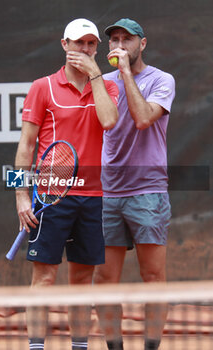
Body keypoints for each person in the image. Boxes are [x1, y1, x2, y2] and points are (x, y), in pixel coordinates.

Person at [14, 18, 118, 350]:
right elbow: (26, 146)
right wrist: (21, 196)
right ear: (64, 45)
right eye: (78, 43)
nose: (84, 49)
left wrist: (95, 75)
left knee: (81, 282)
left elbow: (109, 121)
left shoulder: (107, 86)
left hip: (93, 197)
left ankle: (79, 347)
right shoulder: (42, 87)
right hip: (50, 197)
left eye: (90, 44)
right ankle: (36, 347)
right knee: (44, 278)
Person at [94, 18, 175, 350]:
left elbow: (143, 118)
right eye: (113, 39)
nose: (118, 45)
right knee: (104, 279)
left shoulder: (161, 80)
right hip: (108, 192)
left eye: (126, 39)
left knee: (153, 278)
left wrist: (125, 72)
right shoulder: (101, 82)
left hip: (148, 192)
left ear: (142, 44)